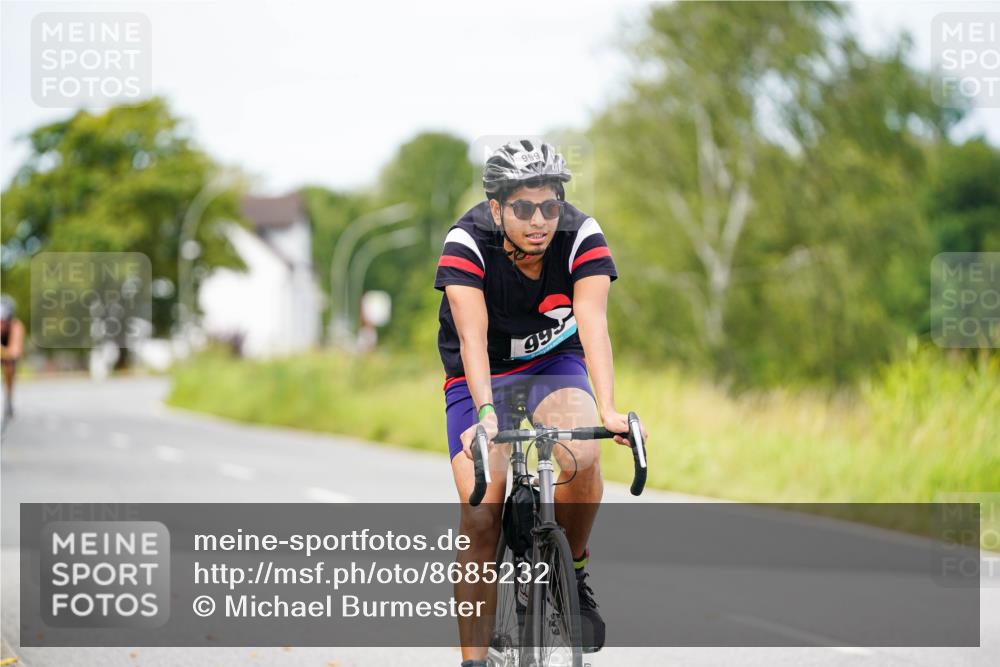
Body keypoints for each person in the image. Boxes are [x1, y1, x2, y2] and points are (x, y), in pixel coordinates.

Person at [434, 140, 648, 666]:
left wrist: (609, 409)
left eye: (550, 206)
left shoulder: (581, 237)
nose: (539, 221)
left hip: (553, 365)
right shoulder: (467, 242)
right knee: (483, 508)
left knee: (584, 455)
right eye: (524, 208)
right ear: (496, 208)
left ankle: (568, 576)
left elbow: (594, 324)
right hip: (479, 374)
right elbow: (472, 337)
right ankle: (474, 661)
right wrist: (485, 417)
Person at [1, 295, 25, 419]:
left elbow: (15, 351)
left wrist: (4, 352)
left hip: (6, 352)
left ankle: (9, 397)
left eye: (4, 321)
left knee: (9, 367)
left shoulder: (16, 326)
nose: (1, 324)